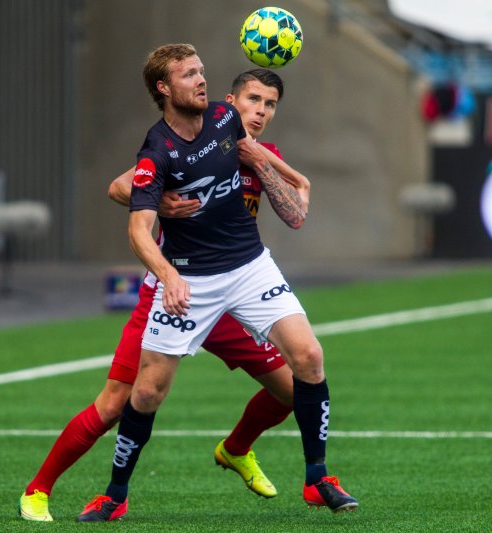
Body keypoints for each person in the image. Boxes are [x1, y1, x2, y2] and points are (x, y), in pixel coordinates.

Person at [77, 44, 357, 522]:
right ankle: (115, 494)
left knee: (309, 357)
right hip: (189, 276)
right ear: (164, 89)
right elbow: (135, 225)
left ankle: (317, 478)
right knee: (145, 394)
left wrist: (293, 177)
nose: (201, 80)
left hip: (249, 266)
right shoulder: (157, 152)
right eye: (189, 74)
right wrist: (167, 269)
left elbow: (269, 171)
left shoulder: (226, 118)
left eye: (202, 71)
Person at [19, 67, 311, 522]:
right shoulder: (190, 146)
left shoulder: (256, 153)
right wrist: (159, 202)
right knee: (117, 402)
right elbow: (119, 186)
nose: (259, 111)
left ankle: (235, 449)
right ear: (231, 103)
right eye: (252, 100)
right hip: (174, 292)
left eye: (269, 105)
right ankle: (39, 490)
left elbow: (298, 194)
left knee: (295, 389)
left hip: (231, 296)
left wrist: (276, 170)